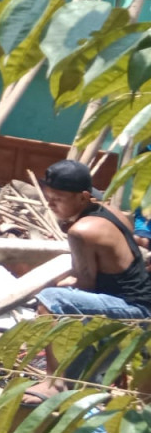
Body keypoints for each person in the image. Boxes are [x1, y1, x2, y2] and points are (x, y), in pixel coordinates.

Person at [29, 159, 151, 401]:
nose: (50, 204)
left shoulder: (81, 231)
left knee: (50, 299)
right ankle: (80, 384)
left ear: (83, 197)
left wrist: (56, 284)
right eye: (48, 196)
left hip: (134, 310)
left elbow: (86, 285)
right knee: (82, 381)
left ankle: (54, 383)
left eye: (58, 198)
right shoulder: (110, 211)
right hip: (137, 301)